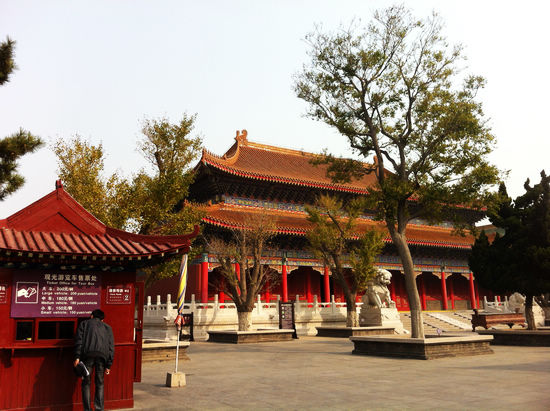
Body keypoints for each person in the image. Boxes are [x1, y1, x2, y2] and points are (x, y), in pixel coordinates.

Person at [74, 309, 114, 411]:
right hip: (102, 357)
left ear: (91, 316)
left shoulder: (84, 324)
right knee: (100, 383)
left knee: (86, 383)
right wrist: (109, 365)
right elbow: (111, 347)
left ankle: (87, 409)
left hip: (87, 356)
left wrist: (77, 357)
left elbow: (79, 341)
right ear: (102, 320)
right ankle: (99, 409)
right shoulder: (108, 328)